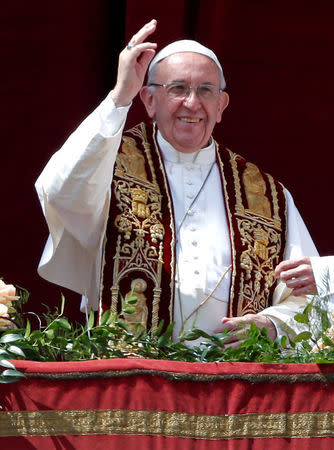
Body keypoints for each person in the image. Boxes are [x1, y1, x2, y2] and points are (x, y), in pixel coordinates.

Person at [35, 19, 319, 346]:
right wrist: (118, 97)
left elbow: (309, 296)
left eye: (205, 91)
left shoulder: (266, 194)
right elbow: (60, 192)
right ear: (149, 100)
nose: (192, 103)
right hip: (132, 381)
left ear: (221, 106)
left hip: (234, 385)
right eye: (178, 88)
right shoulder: (107, 164)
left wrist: (271, 325)